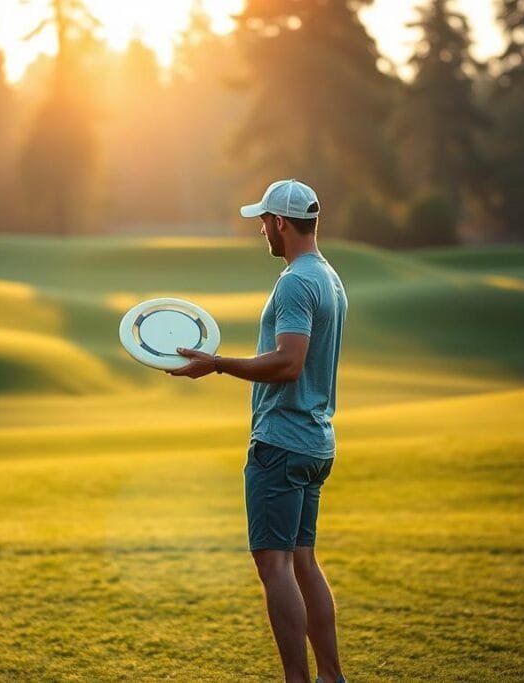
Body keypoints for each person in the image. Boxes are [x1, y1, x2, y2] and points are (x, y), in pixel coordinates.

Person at [168, 179, 348, 683]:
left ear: (282, 224)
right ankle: (331, 678)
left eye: (264, 221)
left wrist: (218, 364)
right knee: (304, 563)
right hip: (314, 442)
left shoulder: (295, 282)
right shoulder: (328, 275)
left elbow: (289, 363)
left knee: (276, 567)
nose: (262, 230)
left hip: (282, 442)